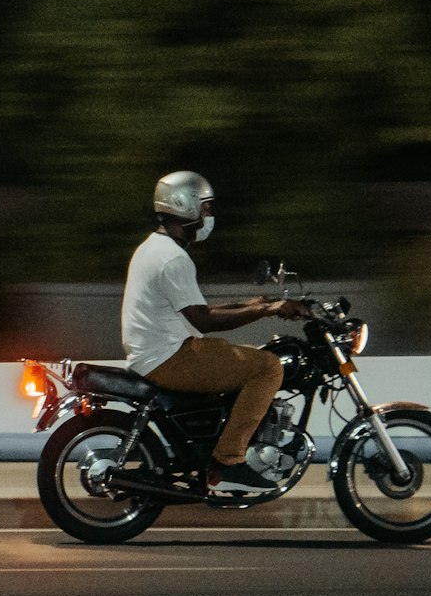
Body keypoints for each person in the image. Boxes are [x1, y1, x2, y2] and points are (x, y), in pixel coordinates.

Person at [120, 170, 306, 494]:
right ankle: (229, 462)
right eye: (206, 208)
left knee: (248, 356)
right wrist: (268, 310)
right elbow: (204, 321)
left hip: (161, 351)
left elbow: (200, 310)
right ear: (186, 206)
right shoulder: (173, 259)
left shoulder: (154, 248)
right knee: (268, 367)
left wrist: (254, 302)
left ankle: (221, 443)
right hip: (170, 357)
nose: (209, 216)